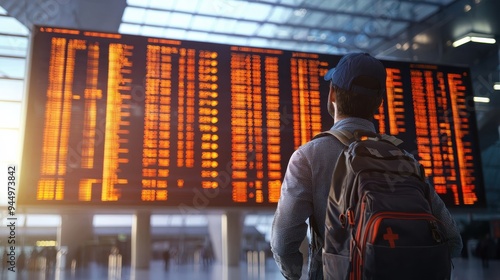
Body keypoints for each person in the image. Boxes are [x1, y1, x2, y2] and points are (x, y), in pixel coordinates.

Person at [270, 52, 463, 279]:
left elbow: (283, 241)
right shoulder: (405, 160)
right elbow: (453, 240)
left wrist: (293, 274)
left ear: (332, 93)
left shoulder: (308, 157)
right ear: (380, 102)